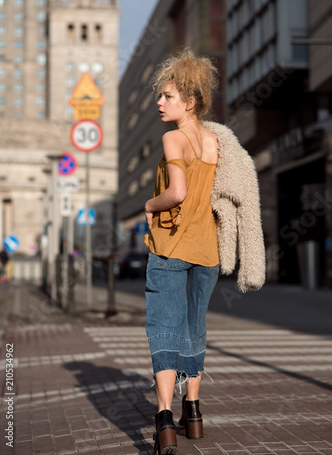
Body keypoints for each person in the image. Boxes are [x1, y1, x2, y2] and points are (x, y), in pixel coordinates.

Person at [144, 49, 265, 455]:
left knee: (164, 327)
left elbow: (176, 193)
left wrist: (149, 205)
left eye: (168, 96)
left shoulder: (173, 138)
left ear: (190, 102)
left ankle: (164, 419)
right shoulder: (217, 142)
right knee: (195, 327)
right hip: (208, 252)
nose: (160, 103)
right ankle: (192, 412)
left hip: (171, 246)